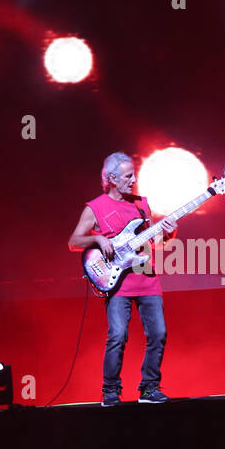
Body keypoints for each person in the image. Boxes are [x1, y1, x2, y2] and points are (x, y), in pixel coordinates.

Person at [68, 152, 176, 405]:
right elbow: (73, 242)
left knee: (159, 334)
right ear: (112, 178)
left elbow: (155, 244)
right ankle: (110, 391)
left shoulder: (141, 204)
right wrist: (97, 238)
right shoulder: (95, 207)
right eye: (128, 176)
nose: (134, 179)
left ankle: (149, 387)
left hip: (146, 278)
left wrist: (170, 233)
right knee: (118, 335)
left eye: (134, 174)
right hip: (117, 283)